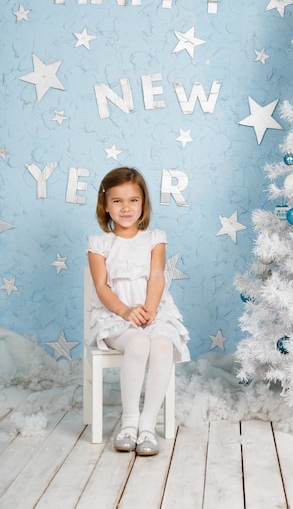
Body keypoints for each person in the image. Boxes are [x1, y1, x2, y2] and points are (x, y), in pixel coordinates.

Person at [87, 167, 190, 455]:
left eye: (133, 200)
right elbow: (101, 287)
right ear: (105, 206)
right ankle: (129, 423)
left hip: (154, 310)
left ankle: (147, 426)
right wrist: (126, 311)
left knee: (161, 346)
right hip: (116, 316)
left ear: (143, 203)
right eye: (117, 201)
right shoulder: (99, 244)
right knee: (137, 342)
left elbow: (157, 277)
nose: (126, 207)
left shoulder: (155, 238)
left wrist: (150, 310)